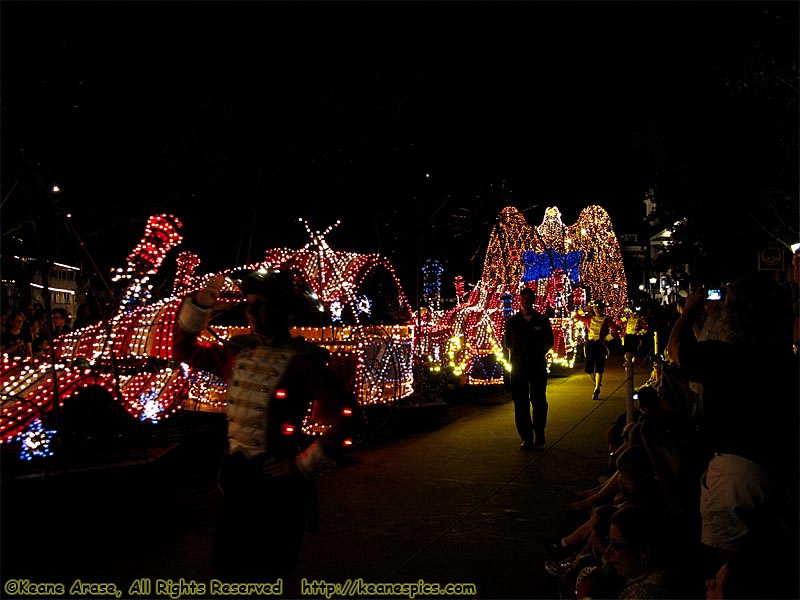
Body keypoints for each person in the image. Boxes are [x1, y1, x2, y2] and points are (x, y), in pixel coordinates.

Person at [172, 268, 357, 582]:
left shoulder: (302, 360)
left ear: (283, 313)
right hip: (237, 482)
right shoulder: (237, 353)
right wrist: (200, 304)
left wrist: (301, 465)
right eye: (248, 304)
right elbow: (183, 349)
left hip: (277, 491)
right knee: (227, 572)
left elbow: (348, 416)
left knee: (265, 573)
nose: (251, 311)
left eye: (261, 304)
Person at [666, 272, 799, 596]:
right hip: (779, 473)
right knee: (761, 573)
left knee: (725, 576)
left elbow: (676, 348)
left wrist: (688, 312)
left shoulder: (726, 357)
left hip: (735, 476)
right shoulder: (785, 360)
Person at [504, 287, 554, 450]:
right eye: (523, 298)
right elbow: (508, 344)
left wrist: (538, 352)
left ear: (533, 300)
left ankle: (539, 433)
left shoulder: (542, 320)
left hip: (537, 365)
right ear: (519, 300)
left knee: (539, 400)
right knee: (520, 402)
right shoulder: (512, 322)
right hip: (519, 367)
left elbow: (549, 341)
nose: (525, 301)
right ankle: (526, 437)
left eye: (528, 298)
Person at [573, 301, 620, 400]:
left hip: (600, 344)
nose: (597, 310)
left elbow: (617, 330)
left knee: (599, 366)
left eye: (599, 308)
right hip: (590, 344)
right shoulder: (589, 319)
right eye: (595, 308)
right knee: (588, 368)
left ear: (603, 309)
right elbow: (576, 316)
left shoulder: (606, 320)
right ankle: (596, 382)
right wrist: (585, 309)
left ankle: (597, 388)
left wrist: (607, 338)